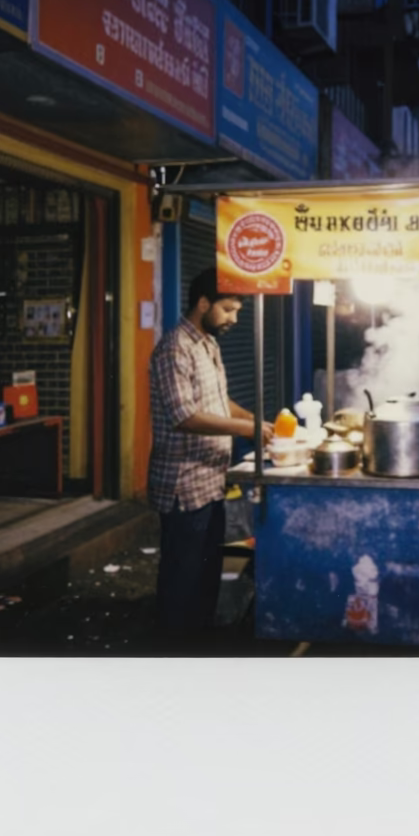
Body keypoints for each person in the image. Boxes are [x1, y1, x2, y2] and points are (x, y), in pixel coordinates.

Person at [147, 267, 275, 641]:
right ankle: (173, 649)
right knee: (181, 575)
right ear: (204, 303)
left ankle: (199, 641)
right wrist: (247, 430)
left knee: (206, 571)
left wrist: (255, 419)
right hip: (183, 484)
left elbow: (218, 403)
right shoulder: (175, 349)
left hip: (213, 480)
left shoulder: (209, 345)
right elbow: (184, 416)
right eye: (229, 309)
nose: (234, 319)